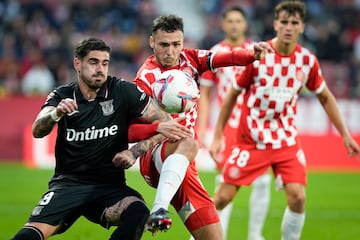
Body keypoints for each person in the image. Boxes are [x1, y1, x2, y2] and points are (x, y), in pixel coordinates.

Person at [10, 37, 192, 240]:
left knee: (138, 212)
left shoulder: (122, 90)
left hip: (109, 187)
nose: (100, 69)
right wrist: (56, 114)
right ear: (77, 64)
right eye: (93, 62)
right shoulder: (62, 94)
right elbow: (38, 129)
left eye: (105, 63)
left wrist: (135, 151)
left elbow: (167, 123)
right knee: (29, 234)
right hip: (68, 185)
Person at [210, 1, 360, 240]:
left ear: (302, 27)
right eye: (284, 22)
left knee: (298, 197)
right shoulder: (259, 55)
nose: (288, 27)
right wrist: (217, 135)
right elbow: (232, 95)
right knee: (221, 198)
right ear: (275, 24)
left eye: (294, 23)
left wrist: (344, 134)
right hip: (252, 139)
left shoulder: (307, 61)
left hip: (285, 140)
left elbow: (325, 96)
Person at [132, 14, 272, 240]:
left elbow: (226, 58)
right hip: (155, 157)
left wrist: (252, 54)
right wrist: (156, 131)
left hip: (184, 164)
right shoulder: (144, 78)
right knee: (188, 141)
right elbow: (131, 129)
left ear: (183, 42)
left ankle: (164, 207)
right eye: (164, 45)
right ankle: (158, 208)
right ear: (152, 42)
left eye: (176, 44)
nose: (170, 51)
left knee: (213, 237)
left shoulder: (191, 59)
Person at [196, 6, 271, 240]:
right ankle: (220, 234)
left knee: (263, 181)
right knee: (224, 182)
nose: (235, 25)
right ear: (223, 24)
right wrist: (202, 128)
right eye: (230, 20)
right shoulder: (215, 54)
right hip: (228, 127)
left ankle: (255, 235)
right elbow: (205, 95)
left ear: (245, 24)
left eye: (239, 20)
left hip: (256, 126)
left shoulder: (258, 50)